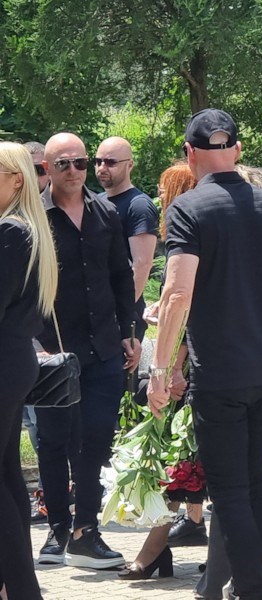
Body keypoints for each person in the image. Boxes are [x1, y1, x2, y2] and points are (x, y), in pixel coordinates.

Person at [148, 108, 262, 599]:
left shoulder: (188, 208)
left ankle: (250, 587)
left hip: (220, 371)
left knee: (230, 488)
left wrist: (159, 369)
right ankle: (253, 582)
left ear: (189, 154)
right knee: (255, 480)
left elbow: (177, 293)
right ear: (237, 150)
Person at [35, 132, 139, 570]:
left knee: (95, 440)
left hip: (103, 347)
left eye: (81, 162)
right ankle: (58, 529)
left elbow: (121, 276)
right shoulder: (32, 218)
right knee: (54, 441)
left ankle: (86, 530)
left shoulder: (105, 212)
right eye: (64, 164)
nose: (75, 171)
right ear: (47, 169)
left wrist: (129, 331)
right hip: (54, 352)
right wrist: (33, 344)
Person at [117, 163, 204, 582]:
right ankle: (164, 547)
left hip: (187, 366)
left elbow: (188, 307)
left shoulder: (189, 237)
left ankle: (155, 551)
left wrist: (173, 367)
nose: (160, 199)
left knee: (179, 461)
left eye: (164, 191)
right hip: (190, 360)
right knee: (183, 462)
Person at [0, 141, 57, 600]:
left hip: (4, 360)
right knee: (8, 474)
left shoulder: (9, 232)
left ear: (16, 180)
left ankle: (18, 586)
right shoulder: (28, 230)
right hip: (14, 359)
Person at [95, 136, 159, 339]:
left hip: (122, 317)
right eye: (98, 161)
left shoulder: (139, 205)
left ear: (130, 165)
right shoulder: (97, 201)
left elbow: (142, 264)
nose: (102, 168)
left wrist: (121, 312)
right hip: (99, 311)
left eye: (110, 162)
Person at [21, 141, 49, 523]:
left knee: (43, 425)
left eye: (40, 170)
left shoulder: (48, 214)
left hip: (42, 341)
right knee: (29, 425)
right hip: (21, 341)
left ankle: (49, 494)